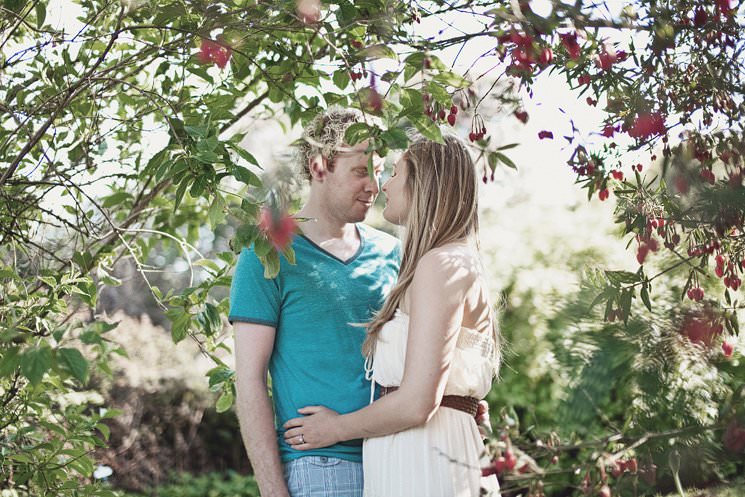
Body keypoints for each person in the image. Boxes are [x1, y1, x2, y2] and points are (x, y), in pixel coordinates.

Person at [282, 134, 501, 497]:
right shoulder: (447, 263)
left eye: (395, 173)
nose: (384, 184)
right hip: (419, 454)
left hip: (426, 462)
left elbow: (417, 402)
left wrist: (335, 429)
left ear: (423, 184)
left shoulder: (441, 264)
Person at [229, 107, 400, 497]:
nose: (374, 186)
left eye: (379, 171)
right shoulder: (267, 254)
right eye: (360, 171)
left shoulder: (394, 253)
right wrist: (274, 492)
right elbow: (250, 381)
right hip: (322, 466)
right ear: (319, 165)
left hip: (398, 456)